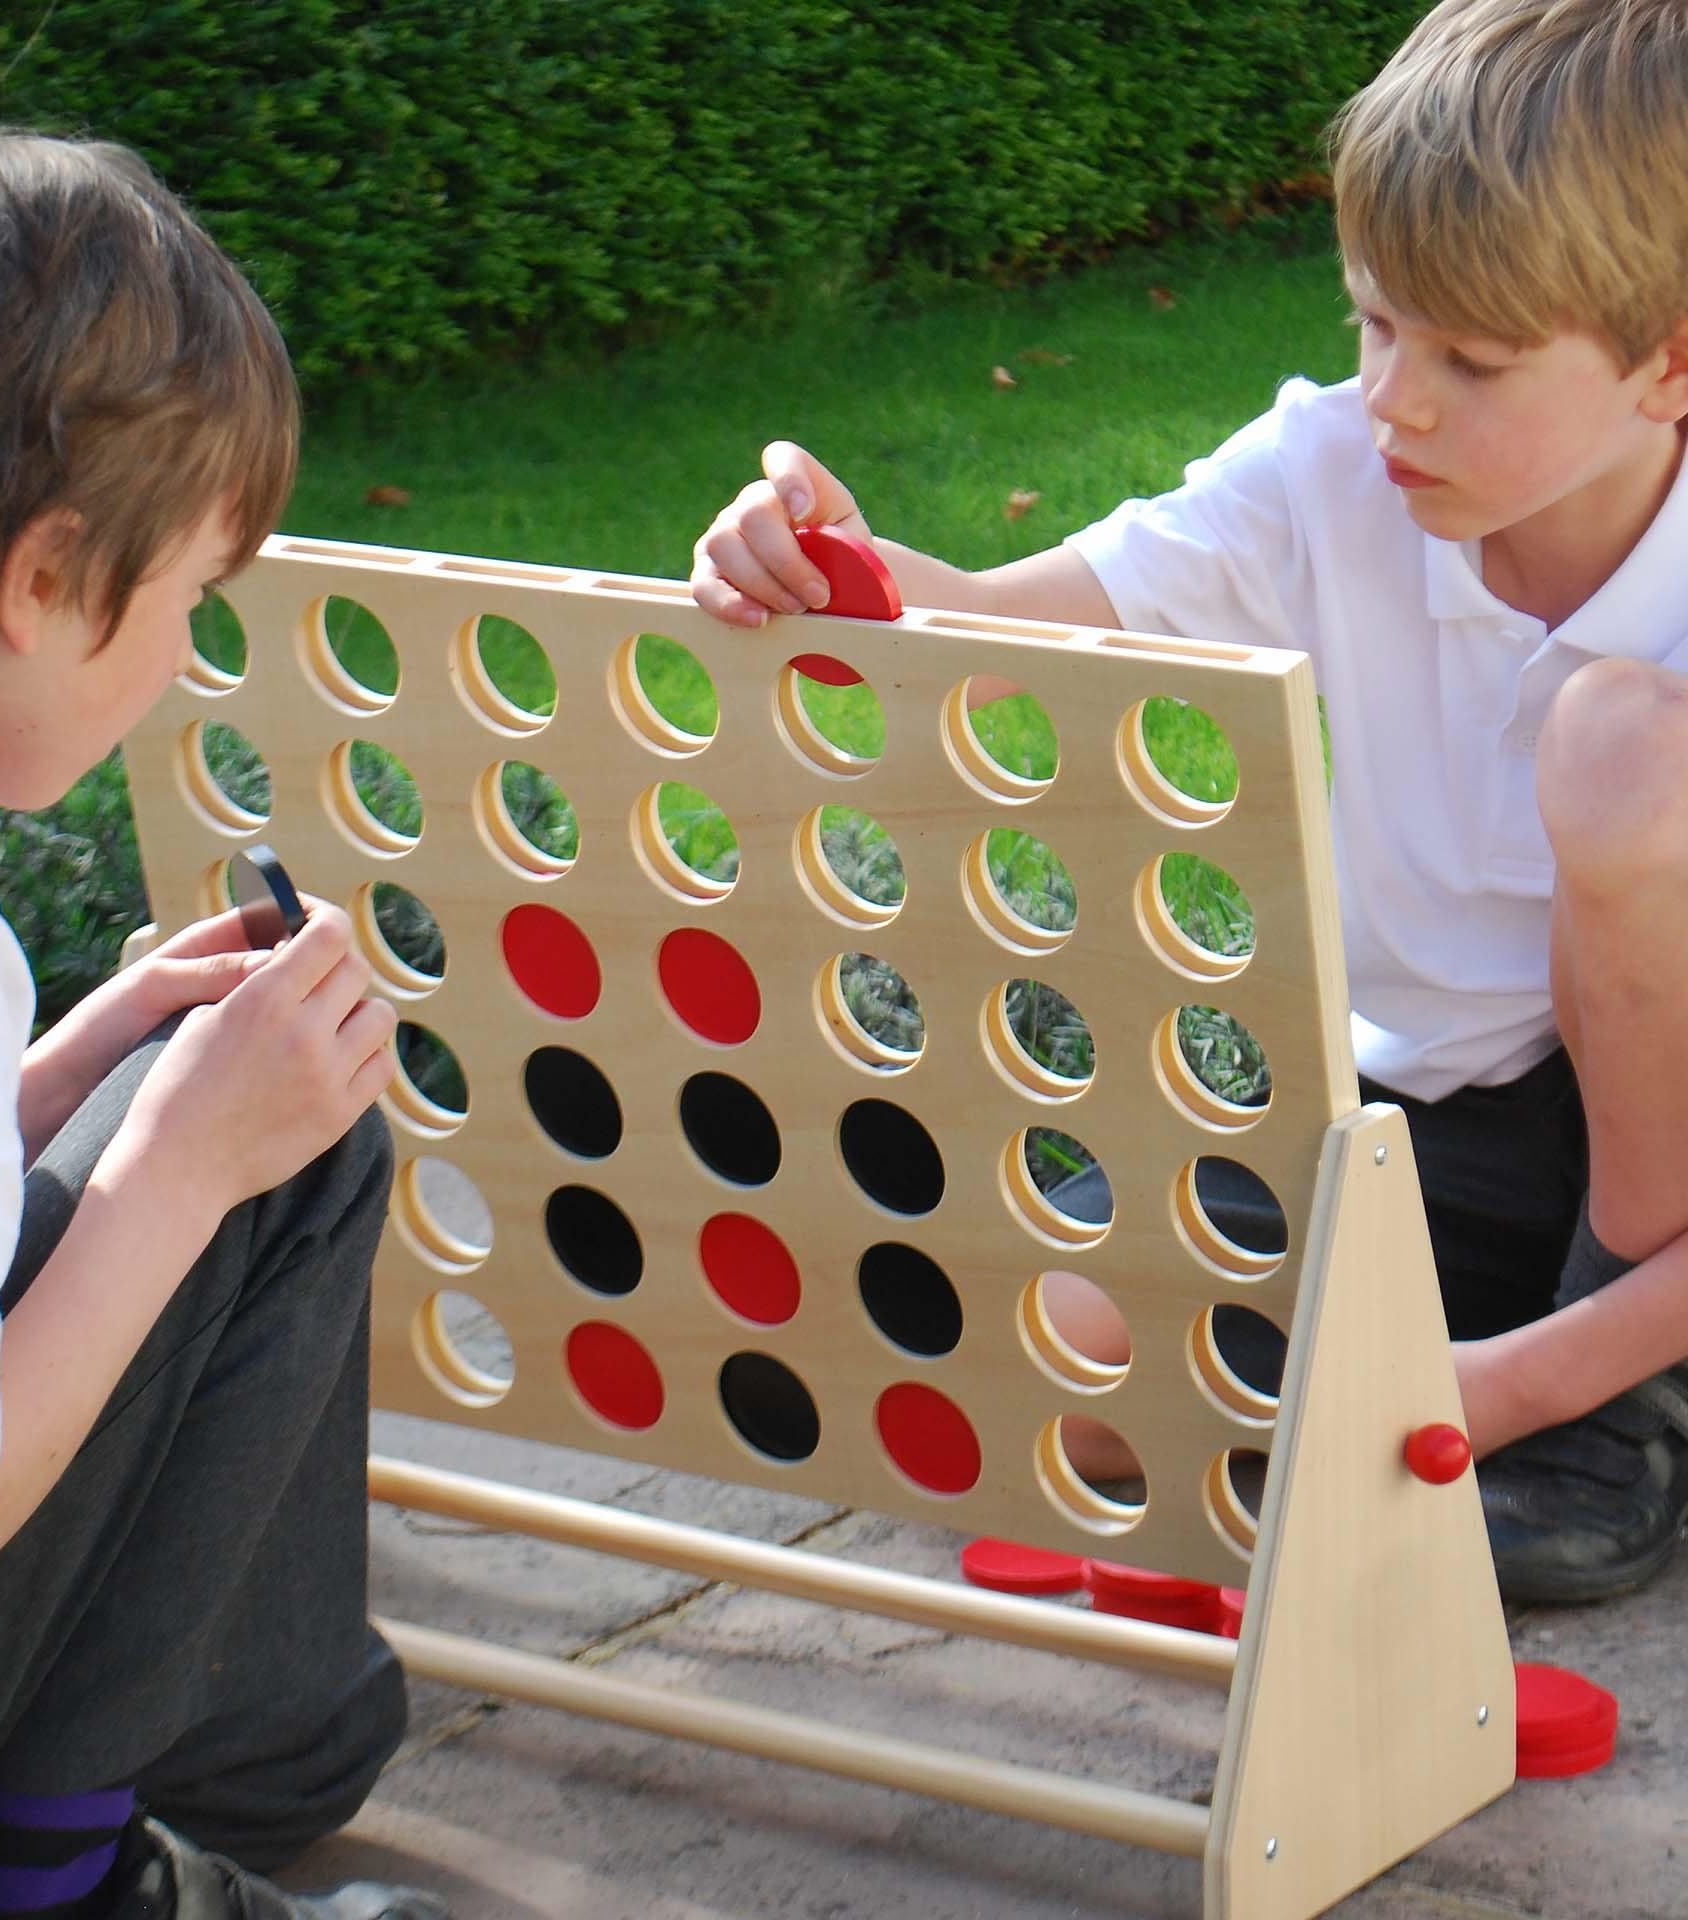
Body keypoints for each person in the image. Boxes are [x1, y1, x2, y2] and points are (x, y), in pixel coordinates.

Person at [691, 0, 1688, 1606]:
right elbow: (998, 643)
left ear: (1671, 362)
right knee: (1021, 1381)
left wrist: (1519, 1393)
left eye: (1472, 361)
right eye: (1375, 324)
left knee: (1622, 751)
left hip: (1657, 1167)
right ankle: (1441, 1342)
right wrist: (841, 575)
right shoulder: (1334, 473)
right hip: (1424, 1129)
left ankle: (1627, 1412)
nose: (1396, 401)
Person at [0, 124, 448, 1919]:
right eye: (189, 600)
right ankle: (52, 1885)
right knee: (273, 1164)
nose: (182, 660)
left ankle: (261, 1756)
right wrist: (167, 1167)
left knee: (194, 1117)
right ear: (49, 574)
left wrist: (59, 1080)